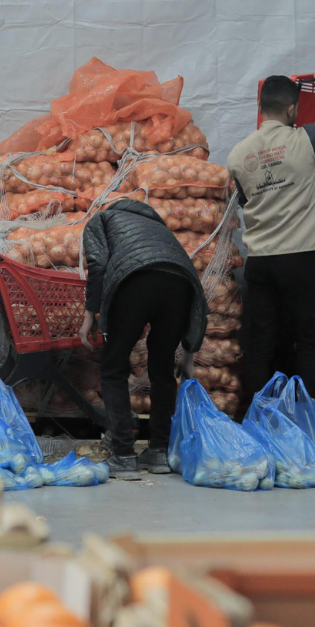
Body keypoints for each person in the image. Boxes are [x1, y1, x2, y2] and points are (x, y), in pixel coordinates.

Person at [225, 72, 315, 415]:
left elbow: (244, 201)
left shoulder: (238, 155)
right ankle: (307, 424)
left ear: (260, 107)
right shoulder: (306, 138)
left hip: (261, 262)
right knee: (311, 343)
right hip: (301, 258)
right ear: (292, 110)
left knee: (261, 344)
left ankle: (260, 420)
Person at [82, 197, 208, 479]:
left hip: (134, 281)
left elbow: (98, 265)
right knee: (162, 370)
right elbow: (197, 300)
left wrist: (90, 314)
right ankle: (160, 452)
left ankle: (124, 455)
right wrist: (188, 354)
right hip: (179, 284)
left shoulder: (101, 220)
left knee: (114, 367)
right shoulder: (160, 229)